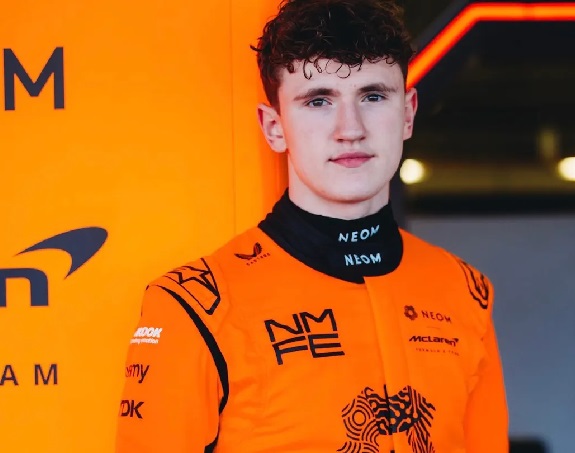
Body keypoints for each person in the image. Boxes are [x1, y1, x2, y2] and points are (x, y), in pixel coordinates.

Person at [115, 0, 508, 451]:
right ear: (274, 127)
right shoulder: (194, 306)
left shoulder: (466, 292)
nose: (350, 129)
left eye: (373, 96)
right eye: (319, 101)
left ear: (407, 113)